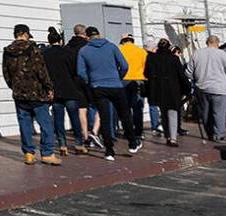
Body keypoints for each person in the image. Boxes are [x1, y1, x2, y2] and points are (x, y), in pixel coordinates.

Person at [77, 26, 139, 160]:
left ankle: (109, 151)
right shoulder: (111, 47)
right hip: (115, 85)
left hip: (98, 86)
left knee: (105, 118)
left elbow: (81, 72)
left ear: (87, 37)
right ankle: (132, 142)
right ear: (99, 34)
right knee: (125, 115)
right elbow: (125, 65)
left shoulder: (84, 51)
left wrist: (90, 81)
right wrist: (119, 77)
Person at [2, 24, 58, 166]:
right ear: (26, 34)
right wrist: (49, 87)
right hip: (37, 92)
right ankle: (47, 153)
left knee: (24, 123)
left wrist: (14, 86)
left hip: (19, 94)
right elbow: (41, 71)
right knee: (45, 123)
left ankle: (28, 153)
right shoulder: (33, 49)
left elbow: (6, 73)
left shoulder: (7, 51)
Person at [42, 28, 88, 156]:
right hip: (70, 89)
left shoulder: (45, 54)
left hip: (55, 91)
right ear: (60, 40)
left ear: (49, 41)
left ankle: (62, 145)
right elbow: (75, 71)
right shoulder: (69, 52)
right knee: (74, 118)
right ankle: (79, 143)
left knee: (58, 119)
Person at [187, 34, 226, 142]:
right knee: (219, 113)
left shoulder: (197, 54)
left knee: (205, 113)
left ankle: (210, 133)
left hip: (202, 87)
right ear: (217, 43)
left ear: (207, 42)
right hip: (219, 87)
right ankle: (219, 134)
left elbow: (188, 72)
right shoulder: (222, 54)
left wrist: (195, 79)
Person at [144, 38, 189, 147]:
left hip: (158, 89)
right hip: (172, 89)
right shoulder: (174, 58)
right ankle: (173, 138)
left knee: (163, 113)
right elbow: (181, 75)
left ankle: (167, 136)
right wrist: (187, 89)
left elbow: (146, 73)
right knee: (172, 113)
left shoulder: (151, 58)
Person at [118, 34, 148, 142]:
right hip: (138, 80)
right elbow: (146, 67)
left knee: (125, 108)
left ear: (123, 41)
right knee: (138, 108)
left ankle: (128, 131)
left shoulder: (120, 50)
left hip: (124, 80)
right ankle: (139, 132)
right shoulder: (141, 51)